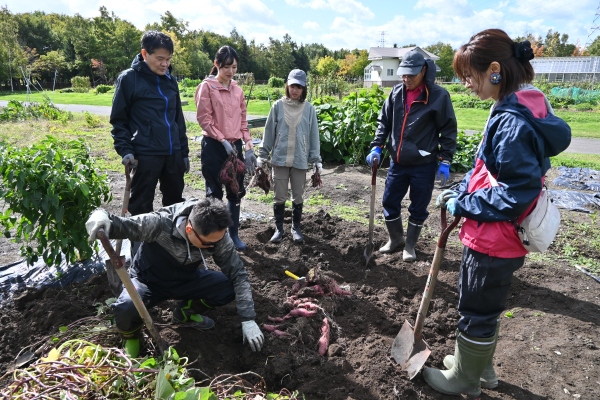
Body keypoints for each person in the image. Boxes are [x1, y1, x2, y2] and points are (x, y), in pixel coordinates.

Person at [423, 29, 571, 397]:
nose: (467, 85)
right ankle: (479, 368)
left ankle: (465, 380)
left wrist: (466, 204)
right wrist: (461, 189)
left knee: (475, 305)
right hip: (501, 236)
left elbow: (515, 193)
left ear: (493, 70)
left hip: (494, 237)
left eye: (469, 77)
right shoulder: (523, 103)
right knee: (484, 306)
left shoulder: (511, 122)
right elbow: (491, 170)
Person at [85, 197, 264, 358]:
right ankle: (132, 338)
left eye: (219, 240)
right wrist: (101, 216)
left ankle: (185, 312)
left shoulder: (217, 237)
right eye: (208, 244)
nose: (215, 246)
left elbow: (239, 275)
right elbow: (122, 225)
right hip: (148, 281)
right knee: (126, 307)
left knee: (228, 287)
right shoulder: (159, 223)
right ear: (189, 229)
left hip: (186, 279)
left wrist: (248, 319)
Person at [365, 49, 457, 262]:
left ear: (424, 71)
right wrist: (377, 146)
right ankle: (396, 238)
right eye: (403, 74)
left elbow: (449, 130)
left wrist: (445, 160)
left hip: (423, 163)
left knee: (418, 206)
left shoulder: (438, 96)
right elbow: (384, 122)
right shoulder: (396, 93)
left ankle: (410, 245)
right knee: (389, 201)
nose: (406, 79)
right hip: (398, 161)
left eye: (411, 75)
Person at [111, 31, 189, 217]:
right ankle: (140, 246)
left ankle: (168, 245)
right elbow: (118, 120)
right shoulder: (129, 79)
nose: (165, 64)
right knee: (140, 206)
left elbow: (178, 119)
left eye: (168, 59)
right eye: (160, 58)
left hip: (173, 154)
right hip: (145, 154)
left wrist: (183, 153)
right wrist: (125, 150)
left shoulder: (170, 81)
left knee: (175, 204)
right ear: (145, 54)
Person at [195, 46, 256, 251]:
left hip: (235, 146)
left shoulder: (237, 90)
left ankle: (233, 235)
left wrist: (248, 146)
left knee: (235, 191)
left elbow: (243, 121)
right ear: (216, 65)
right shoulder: (207, 87)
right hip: (214, 145)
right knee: (214, 193)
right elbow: (204, 119)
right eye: (226, 67)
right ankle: (214, 238)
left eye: (234, 67)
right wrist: (222, 140)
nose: (230, 71)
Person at [257, 69, 322, 244]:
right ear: (287, 85)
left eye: (299, 87)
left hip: (300, 160)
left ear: (303, 89)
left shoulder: (309, 109)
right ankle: (279, 228)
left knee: (298, 196)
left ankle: (296, 227)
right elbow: (269, 132)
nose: (295, 90)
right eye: (293, 86)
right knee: (279, 195)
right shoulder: (277, 106)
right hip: (279, 159)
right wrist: (263, 155)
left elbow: (314, 136)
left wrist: (316, 160)